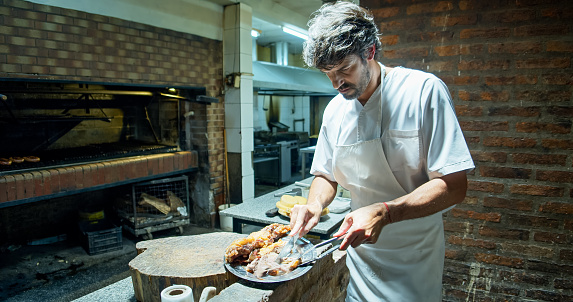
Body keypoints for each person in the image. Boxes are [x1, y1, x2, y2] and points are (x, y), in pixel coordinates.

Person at [288, 1, 475, 301]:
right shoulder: (335, 111)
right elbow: (325, 174)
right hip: (360, 256)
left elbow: (454, 186)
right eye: (328, 73)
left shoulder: (423, 92)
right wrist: (314, 205)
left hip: (415, 257)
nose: (336, 82)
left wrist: (386, 212)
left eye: (344, 69)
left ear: (370, 52)